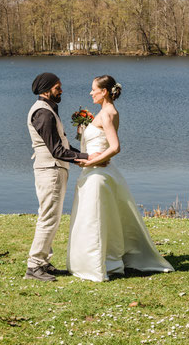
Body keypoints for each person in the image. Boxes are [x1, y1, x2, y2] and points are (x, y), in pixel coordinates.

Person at [68, 75, 174, 282]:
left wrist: (90, 163)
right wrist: (84, 131)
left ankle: (98, 264)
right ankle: (103, 260)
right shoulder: (105, 112)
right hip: (98, 170)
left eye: (93, 89)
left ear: (104, 91)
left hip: (98, 173)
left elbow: (115, 147)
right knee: (102, 217)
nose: (90, 93)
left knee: (95, 219)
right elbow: (100, 141)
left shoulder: (107, 114)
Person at [25, 72, 99, 282]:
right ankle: (34, 266)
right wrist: (86, 157)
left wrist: (84, 156)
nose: (61, 91)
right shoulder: (43, 114)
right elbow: (57, 151)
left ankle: (43, 263)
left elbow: (63, 147)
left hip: (53, 169)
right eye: (58, 88)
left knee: (51, 217)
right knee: (48, 218)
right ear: (46, 89)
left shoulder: (48, 110)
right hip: (51, 170)